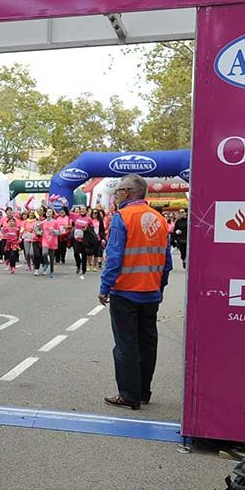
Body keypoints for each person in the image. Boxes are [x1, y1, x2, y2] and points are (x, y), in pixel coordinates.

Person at [98, 175, 173, 411]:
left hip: (126, 291)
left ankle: (128, 395)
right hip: (151, 292)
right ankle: (142, 392)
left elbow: (114, 257)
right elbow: (167, 262)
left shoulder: (123, 216)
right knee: (147, 343)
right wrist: (160, 287)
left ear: (129, 192)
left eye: (119, 190)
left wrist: (104, 287)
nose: (116, 194)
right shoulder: (160, 219)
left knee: (125, 344)